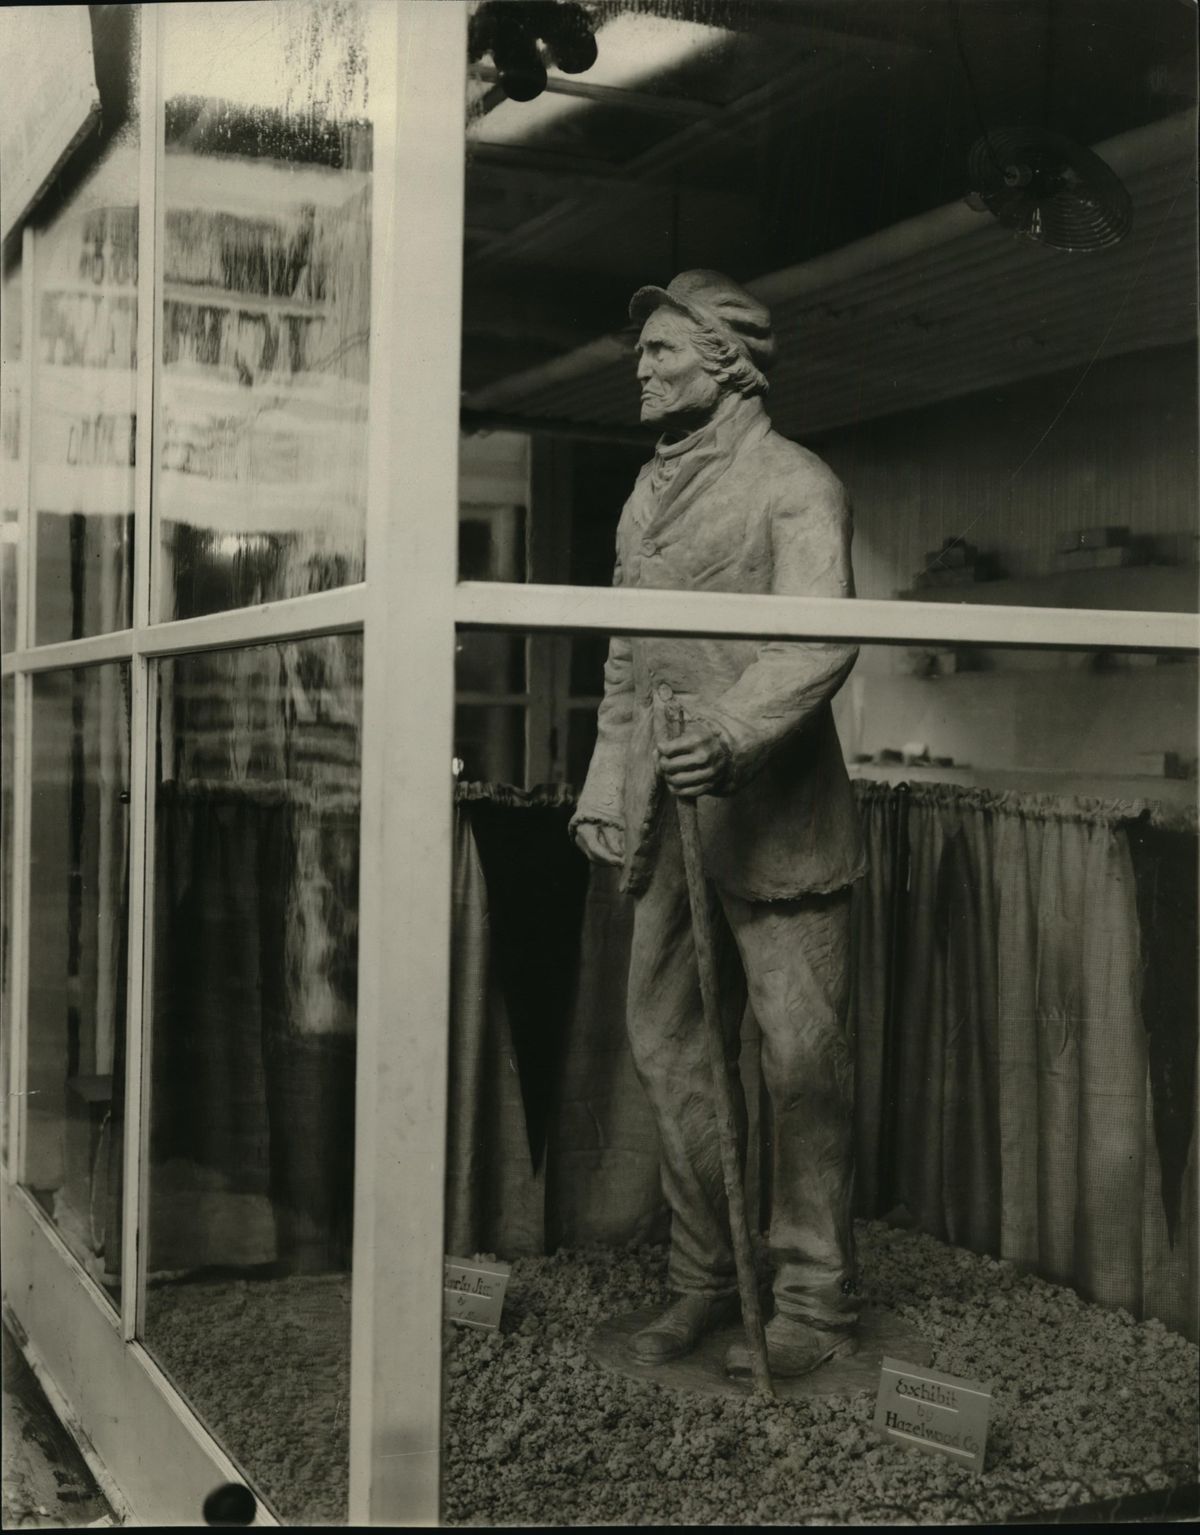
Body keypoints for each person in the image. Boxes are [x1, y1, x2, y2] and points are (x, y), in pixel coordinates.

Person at [569, 270, 867, 1379]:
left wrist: (737, 732)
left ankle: (813, 1300)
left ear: (729, 363)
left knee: (802, 1064)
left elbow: (818, 642)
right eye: (642, 352)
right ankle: (705, 1275)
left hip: (779, 820)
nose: (640, 368)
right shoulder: (643, 499)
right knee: (670, 1051)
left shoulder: (796, 484)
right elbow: (624, 653)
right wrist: (610, 782)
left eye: (662, 352)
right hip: (671, 821)